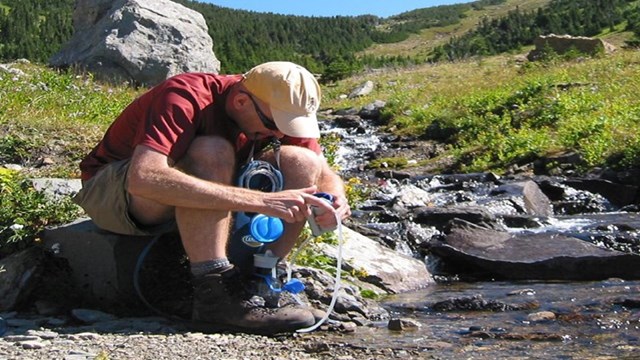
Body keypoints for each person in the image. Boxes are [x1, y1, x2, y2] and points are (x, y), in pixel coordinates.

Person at [72, 61, 351, 334]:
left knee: (302, 160)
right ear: (241, 101)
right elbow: (143, 179)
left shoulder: (266, 109)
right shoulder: (186, 95)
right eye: (273, 124)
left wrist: (336, 199)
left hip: (188, 186)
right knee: (211, 149)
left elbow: (323, 171)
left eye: (288, 128)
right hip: (116, 192)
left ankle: (262, 276)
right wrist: (261, 201)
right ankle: (214, 292)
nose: (278, 134)